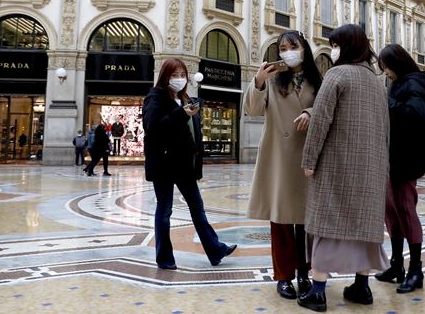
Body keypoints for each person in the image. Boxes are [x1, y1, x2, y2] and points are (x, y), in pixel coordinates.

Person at [299, 24, 390, 312]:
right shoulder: (377, 82)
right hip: (371, 168)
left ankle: (318, 292)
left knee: (328, 225)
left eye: (336, 44)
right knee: (364, 227)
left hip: (336, 164)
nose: (333, 49)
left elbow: (320, 121)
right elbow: (386, 129)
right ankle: (362, 288)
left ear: (347, 46)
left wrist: (309, 161)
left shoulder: (336, 74)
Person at [245, 30, 323, 300]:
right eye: (282, 48)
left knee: (305, 222)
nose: (287, 51)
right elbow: (253, 110)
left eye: (293, 46)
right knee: (280, 220)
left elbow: (328, 110)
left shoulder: (318, 80)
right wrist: (258, 80)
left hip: (307, 157)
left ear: (304, 49)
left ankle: (304, 272)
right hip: (278, 158)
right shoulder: (273, 80)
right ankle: (283, 277)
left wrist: (310, 112)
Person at [143, 57, 236, 269]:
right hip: (164, 165)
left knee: (198, 208)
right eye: (174, 75)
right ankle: (164, 258)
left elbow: (192, 135)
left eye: (182, 75)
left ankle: (215, 250)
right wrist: (180, 114)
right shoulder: (155, 97)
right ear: (165, 77)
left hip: (184, 164)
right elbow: (153, 128)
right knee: (164, 211)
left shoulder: (186, 99)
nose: (179, 79)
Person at [375, 44, 425, 294]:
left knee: (406, 211)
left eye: (386, 67)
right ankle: (397, 265)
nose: (385, 72)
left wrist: (387, 102)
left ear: (395, 64)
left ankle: (416, 270)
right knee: (391, 212)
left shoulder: (415, 83)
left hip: (406, 158)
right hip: (392, 157)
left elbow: (416, 116)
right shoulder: (399, 83)